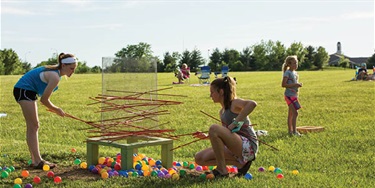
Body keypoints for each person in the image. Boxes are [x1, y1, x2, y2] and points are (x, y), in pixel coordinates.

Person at [13, 53, 78, 169]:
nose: (73, 71)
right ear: (63, 65)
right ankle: (37, 161)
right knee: (34, 125)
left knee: (33, 126)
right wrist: (57, 109)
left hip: (28, 91)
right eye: (71, 68)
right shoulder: (55, 77)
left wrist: (56, 109)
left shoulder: (56, 73)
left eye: (74, 68)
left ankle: (35, 160)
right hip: (24, 90)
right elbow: (44, 100)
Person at [194, 76, 258, 178]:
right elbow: (224, 135)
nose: (210, 95)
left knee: (214, 128)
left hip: (248, 146)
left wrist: (236, 122)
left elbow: (252, 104)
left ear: (221, 92)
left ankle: (222, 170)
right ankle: (240, 164)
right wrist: (206, 136)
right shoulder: (222, 112)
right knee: (199, 158)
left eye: (212, 92)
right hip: (236, 145)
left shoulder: (234, 103)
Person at [281, 55, 303, 136]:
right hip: (289, 96)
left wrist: (297, 85)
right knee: (295, 113)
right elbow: (283, 84)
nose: (296, 64)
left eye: (296, 63)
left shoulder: (294, 73)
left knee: (291, 114)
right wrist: (295, 84)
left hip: (294, 96)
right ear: (289, 64)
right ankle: (294, 131)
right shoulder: (287, 73)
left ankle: (290, 131)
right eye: (294, 63)